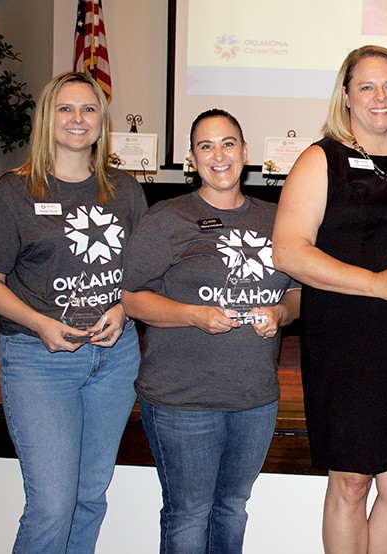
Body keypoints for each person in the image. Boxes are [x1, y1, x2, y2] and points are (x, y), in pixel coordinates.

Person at [272, 45, 387, 553]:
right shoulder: (320, 159)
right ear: (347, 96)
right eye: (367, 86)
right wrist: (376, 283)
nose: (381, 96)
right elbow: (288, 252)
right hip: (348, 340)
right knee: (351, 483)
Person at [0, 71, 147, 553]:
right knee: (52, 503)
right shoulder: (14, 191)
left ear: (101, 120)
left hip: (114, 360)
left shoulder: (126, 192)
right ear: (48, 118)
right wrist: (41, 323)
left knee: (90, 496)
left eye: (88, 109)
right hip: (38, 359)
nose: (77, 119)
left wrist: (123, 311)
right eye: (65, 109)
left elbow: (142, 277)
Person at [121, 109, 300, 552]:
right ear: (191, 158)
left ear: (245, 153)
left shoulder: (279, 219)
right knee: (188, 514)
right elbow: (131, 298)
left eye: (228, 144)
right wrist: (193, 315)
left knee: (232, 508)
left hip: (253, 399)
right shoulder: (166, 218)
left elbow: (298, 294)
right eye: (206, 146)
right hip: (183, 400)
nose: (218, 155)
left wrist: (280, 313)